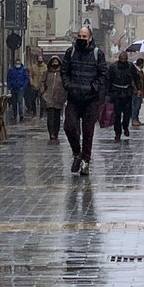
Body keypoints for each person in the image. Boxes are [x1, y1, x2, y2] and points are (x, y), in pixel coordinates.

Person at [60, 25, 108, 176]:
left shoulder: (97, 54)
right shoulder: (71, 52)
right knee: (69, 126)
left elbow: (103, 75)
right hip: (73, 97)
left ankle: (86, 161)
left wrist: (93, 87)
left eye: (84, 36)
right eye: (79, 36)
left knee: (88, 132)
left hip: (90, 99)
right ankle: (77, 153)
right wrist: (68, 85)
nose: (81, 39)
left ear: (90, 38)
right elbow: (64, 71)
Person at [107, 50, 138, 141]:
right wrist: (108, 93)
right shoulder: (113, 67)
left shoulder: (130, 66)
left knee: (127, 114)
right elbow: (108, 80)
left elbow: (135, 77)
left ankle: (125, 126)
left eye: (125, 59)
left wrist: (138, 89)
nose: (123, 60)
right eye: (122, 59)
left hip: (127, 93)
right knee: (117, 115)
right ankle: (117, 132)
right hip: (116, 93)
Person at [40, 56, 66, 142]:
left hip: (59, 97)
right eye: (53, 61)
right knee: (50, 116)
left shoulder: (62, 73)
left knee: (57, 117)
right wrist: (43, 92)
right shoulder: (47, 73)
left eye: (56, 61)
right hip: (49, 97)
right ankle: (51, 133)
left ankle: (56, 132)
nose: (55, 63)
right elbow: (42, 82)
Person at [6, 58, 30, 123]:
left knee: (20, 101)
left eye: (18, 63)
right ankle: (15, 114)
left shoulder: (23, 70)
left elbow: (26, 79)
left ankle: (21, 114)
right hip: (13, 88)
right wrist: (10, 86)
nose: (17, 64)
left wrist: (23, 86)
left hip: (20, 88)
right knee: (14, 102)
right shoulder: (11, 70)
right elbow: (8, 78)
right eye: (17, 63)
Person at [27, 52, 47, 118]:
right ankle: (34, 113)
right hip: (34, 86)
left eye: (41, 59)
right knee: (33, 100)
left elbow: (46, 76)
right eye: (39, 59)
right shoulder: (33, 67)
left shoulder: (45, 67)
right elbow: (30, 75)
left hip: (42, 87)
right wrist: (32, 83)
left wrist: (45, 85)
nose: (40, 60)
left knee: (42, 101)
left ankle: (41, 115)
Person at [131, 57, 144, 126]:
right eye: (143, 63)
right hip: (136, 91)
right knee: (135, 106)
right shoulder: (135, 71)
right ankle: (134, 119)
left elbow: (141, 79)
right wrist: (137, 90)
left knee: (138, 106)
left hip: (140, 91)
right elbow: (135, 81)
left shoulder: (140, 71)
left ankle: (137, 119)